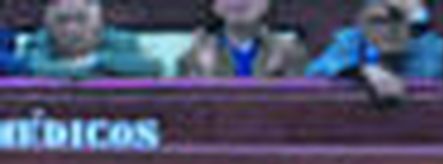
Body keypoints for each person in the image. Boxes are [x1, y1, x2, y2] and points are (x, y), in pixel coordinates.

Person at [307, 0, 443, 105]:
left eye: (397, 20)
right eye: (379, 21)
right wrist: (363, 71)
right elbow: (316, 71)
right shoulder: (352, 39)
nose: (389, 30)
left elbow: (432, 80)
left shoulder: (431, 46)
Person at [21, 0, 163, 79]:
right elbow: (33, 69)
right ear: (48, 24)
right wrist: (87, 69)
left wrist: (98, 61)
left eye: (81, 19)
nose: (72, 30)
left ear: (99, 22)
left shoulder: (121, 41)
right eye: (62, 20)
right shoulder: (38, 42)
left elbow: (151, 68)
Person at [177, 0, 308, 78]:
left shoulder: (290, 53)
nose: (238, 1)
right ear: (215, 6)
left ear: (266, 4)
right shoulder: (195, 55)